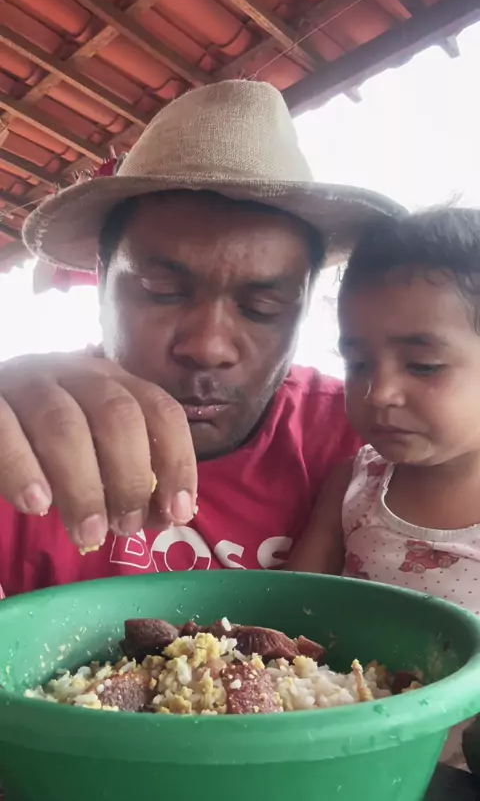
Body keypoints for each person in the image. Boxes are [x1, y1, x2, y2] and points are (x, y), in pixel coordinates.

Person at [0, 79, 403, 597]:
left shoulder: (374, 437)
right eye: (163, 292)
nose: (209, 347)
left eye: (262, 308)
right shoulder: (23, 438)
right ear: (101, 281)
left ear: (304, 308)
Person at [288, 207, 480, 616]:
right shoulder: (356, 485)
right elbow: (291, 607)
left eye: (423, 366)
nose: (379, 393)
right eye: (358, 364)